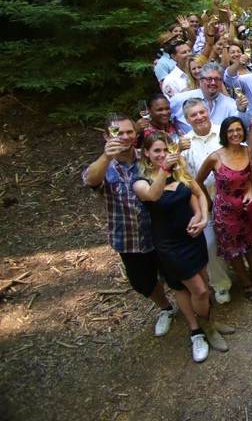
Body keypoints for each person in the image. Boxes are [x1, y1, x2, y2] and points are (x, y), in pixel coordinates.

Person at [82, 115, 178, 337]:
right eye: (119, 133)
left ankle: (192, 309)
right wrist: (107, 156)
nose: (125, 137)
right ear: (107, 136)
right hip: (128, 237)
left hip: (160, 231)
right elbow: (90, 180)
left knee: (176, 273)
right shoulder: (104, 166)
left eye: (129, 132)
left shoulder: (148, 156)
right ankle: (166, 308)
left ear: (136, 134)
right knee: (143, 283)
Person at [133, 132, 219, 363]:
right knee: (196, 290)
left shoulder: (179, 173)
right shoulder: (141, 181)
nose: (162, 155)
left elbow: (198, 193)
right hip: (170, 246)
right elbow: (152, 195)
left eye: (165, 150)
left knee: (201, 285)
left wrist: (201, 218)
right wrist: (164, 171)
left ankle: (207, 324)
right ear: (147, 155)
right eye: (157, 151)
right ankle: (199, 331)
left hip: (193, 238)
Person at [196, 117, 252, 301]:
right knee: (234, 251)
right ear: (224, 134)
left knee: (251, 246)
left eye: (238, 130)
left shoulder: (247, 152)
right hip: (225, 213)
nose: (235, 134)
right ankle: (246, 283)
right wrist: (209, 203)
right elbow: (197, 182)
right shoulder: (215, 157)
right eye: (230, 131)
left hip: (247, 208)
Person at [179, 100, 234, 304]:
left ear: (208, 111)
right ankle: (221, 284)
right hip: (204, 201)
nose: (199, 117)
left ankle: (245, 270)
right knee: (210, 243)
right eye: (194, 115)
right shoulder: (183, 143)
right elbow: (184, 177)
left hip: (230, 197)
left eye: (202, 112)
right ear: (187, 119)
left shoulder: (224, 132)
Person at [170, 63, 239, 134]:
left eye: (217, 79)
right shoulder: (180, 99)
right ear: (200, 81)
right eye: (209, 79)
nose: (213, 83)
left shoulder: (231, 105)